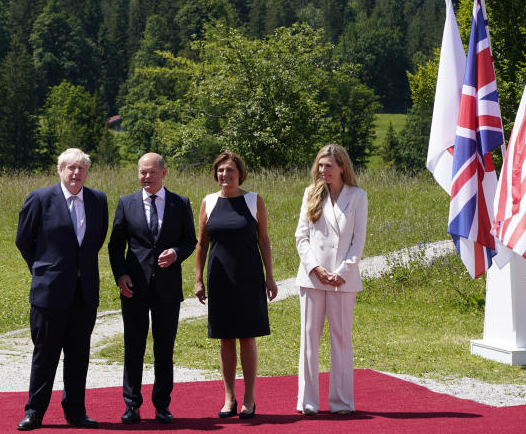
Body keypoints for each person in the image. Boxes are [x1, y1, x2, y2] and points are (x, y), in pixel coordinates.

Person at [15, 148, 109, 431]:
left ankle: (76, 412)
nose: (75, 173)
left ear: (87, 172)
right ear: (60, 170)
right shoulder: (40, 199)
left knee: (79, 355)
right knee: (45, 355)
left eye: (81, 168)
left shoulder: (97, 200)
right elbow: (24, 240)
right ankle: (35, 412)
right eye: (70, 167)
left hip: (84, 292)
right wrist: (44, 268)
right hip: (49, 291)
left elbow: (96, 240)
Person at [108, 153, 197, 424]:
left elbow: (190, 241)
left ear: (164, 173)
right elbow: (115, 246)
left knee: (164, 348)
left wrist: (176, 253)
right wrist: (121, 275)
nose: (147, 177)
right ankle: (132, 404)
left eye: (151, 172)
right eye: (142, 173)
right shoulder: (126, 203)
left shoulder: (180, 204)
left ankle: (162, 405)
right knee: (133, 346)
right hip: (134, 287)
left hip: (167, 289)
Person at [193, 151, 278, 420]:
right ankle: (229, 397)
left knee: (247, 337)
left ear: (240, 173)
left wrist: (270, 277)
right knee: (225, 338)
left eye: (230, 170)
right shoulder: (208, 202)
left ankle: (250, 398)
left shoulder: (254, 201)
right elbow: (202, 243)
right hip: (218, 278)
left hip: (249, 277)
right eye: (220, 170)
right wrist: (197, 279)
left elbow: (263, 241)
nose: (224, 175)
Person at [294, 144, 367, 416]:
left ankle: (341, 402)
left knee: (341, 339)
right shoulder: (311, 193)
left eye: (329, 166)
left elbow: (358, 241)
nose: (323, 171)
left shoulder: (358, 196)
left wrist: (342, 272)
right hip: (312, 278)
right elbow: (301, 237)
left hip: (343, 280)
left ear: (342, 167)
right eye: (320, 166)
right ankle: (307, 402)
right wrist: (315, 268)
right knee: (309, 339)